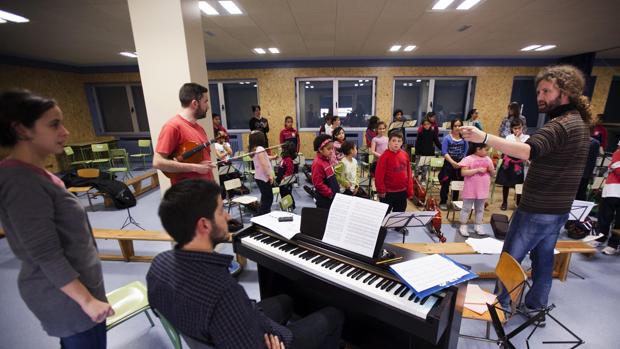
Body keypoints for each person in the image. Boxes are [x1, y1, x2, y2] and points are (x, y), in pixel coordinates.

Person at [460, 65, 593, 322]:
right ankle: (535, 309)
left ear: (565, 92)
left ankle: (500, 309)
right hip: (558, 210)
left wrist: (484, 136)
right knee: (543, 261)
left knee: (510, 259)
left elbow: (527, 151)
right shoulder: (580, 123)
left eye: (546, 90)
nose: (539, 96)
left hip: (536, 209)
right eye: (538, 91)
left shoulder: (560, 125)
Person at [147, 179, 344, 349]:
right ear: (204, 225)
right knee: (334, 315)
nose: (228, 217)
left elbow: (160, 311)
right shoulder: (223, 293)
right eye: (221, 210)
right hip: (266, 340)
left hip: (221, 327)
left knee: (286, 300)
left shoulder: (159, 264)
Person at [0, 90, 114, 348]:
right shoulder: (21, 183)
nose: (65, 132)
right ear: (22, 130)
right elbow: (45, 253)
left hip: (80, 289)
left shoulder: (37, 174)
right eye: (54, 124)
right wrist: (86, 301)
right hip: (67, 299)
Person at [153, 82, 215, 184]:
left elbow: (203, 164)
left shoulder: (199, 128)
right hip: (188, 194)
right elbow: (158, 162)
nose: (207, 107)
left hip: (206, 191)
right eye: (205, 102)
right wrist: (195, 168)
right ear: (195, 103)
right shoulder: (173, 127)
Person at [458, 143, 495, 236]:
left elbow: (493, 173)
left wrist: (492, 170)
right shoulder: (468, 158)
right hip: (470, 187)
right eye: (485, 150)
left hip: (483, 187)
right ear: (478, 149)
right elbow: (463, 172)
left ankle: (478, 225)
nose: (487, 152)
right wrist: (477, 170)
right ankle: (463, 226)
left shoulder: (488, 159)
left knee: (480, 208)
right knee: (466, 208)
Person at [375, 132, 413, 213]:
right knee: (384, 216)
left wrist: (409, 189)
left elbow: (409, 173)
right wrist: (381, 190)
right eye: (394, 141)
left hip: (402, 192)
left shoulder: (405, 155)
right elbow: (379, 176)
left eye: (399, 141)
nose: (396, 143)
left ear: (402, 143)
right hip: (388, 193)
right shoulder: (384, 157)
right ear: (389, 142)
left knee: (399, 215)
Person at [593, 140, 620, 254]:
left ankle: (614, 244)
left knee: (619, 220)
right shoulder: (618, 153)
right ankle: (600, 238)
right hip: (612, 190)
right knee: (604, 216)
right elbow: (618, 170)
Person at [495, 119, 529, 210]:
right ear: (511, 129)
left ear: (522, 128)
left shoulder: (526, 137)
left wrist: (517, 139)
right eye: (515, 128)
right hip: (508, 162)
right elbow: (508, 150)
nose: (517, 130)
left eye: (519, 128)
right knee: (505, 183)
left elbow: (522, 150)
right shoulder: (508, 137)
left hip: (518, 164)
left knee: (518, 184)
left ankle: (518, 203)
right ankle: (504, 202)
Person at [438, 119, 468, 211]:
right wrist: (452, 162)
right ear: (452, 127)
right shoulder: (447, 138)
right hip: (448, 165)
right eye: (455, 126)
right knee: (445, 184)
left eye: (459, 126)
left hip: (460, 165)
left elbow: (466, 152)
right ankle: (443, 202)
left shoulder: (465, 139)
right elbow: (444, 152)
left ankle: (455, 202)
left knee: (457, 185)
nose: (457, 128)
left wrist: (460, 163)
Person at [311, 134, 340, 209]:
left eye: (332, 148)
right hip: (325, 200)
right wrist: (330, 193)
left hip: (331, 198)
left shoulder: (327, 160)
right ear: (320, 150)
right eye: (329, 149)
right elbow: (318, 184)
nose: (331, 151)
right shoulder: (317, 163)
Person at [249, 131, 274, 215]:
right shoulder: (260, 148)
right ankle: (263, 215)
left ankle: (262, 214)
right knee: (268, 198)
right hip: (263, 177)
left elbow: (265, 158)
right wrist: (269, 175)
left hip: (259, 177)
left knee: (264, 198)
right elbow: (264, 163)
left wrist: (273, 157)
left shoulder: (255, 149)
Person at [276, 142, 297, 210]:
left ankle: (291, 206)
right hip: (281, 182)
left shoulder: (288, 160)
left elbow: (289, 172)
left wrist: (283, 179)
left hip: (285, 182)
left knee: (287, 195)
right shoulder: (284, 158)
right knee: (283, 195)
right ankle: (286, 206)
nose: (282, 150)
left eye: (283, 149)